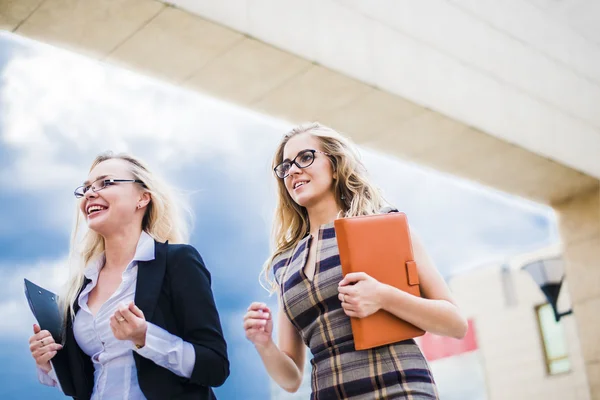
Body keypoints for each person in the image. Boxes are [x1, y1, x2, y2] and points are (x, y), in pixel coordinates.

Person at [243, 122, 468, 399]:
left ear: (335, 166)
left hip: (399, 389)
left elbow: (456, 323)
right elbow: (291, 379)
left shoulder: (385, 226)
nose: (293, 171)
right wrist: (264, 343)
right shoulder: (284, 264)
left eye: (305, 157)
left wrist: (383, 296)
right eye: (286, 166)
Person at [28, 152, 229, 400]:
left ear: (142, 198)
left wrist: (144, 337)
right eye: (86, 188)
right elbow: (89, 383)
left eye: (106, 183)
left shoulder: (178, 262)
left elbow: (215, 367)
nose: (90, 193)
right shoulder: (81, 288)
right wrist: (49, 364)